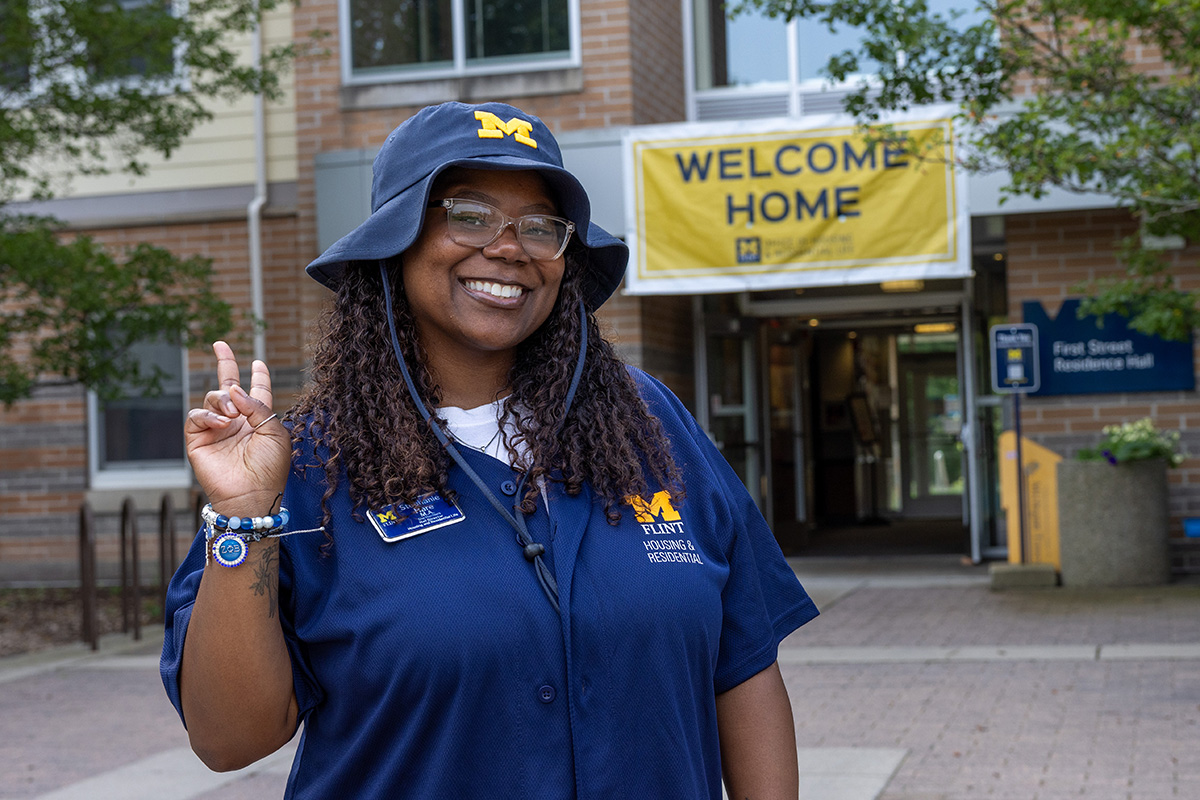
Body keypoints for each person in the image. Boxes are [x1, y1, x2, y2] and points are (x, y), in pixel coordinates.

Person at [161, 100, 818, 799]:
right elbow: (231, 740)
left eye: (540, 227)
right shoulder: (303, 467)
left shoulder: (648, 424)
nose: (510, 247)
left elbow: (742, 664)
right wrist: (240, 518)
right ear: (397, 242)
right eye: (468, 215)